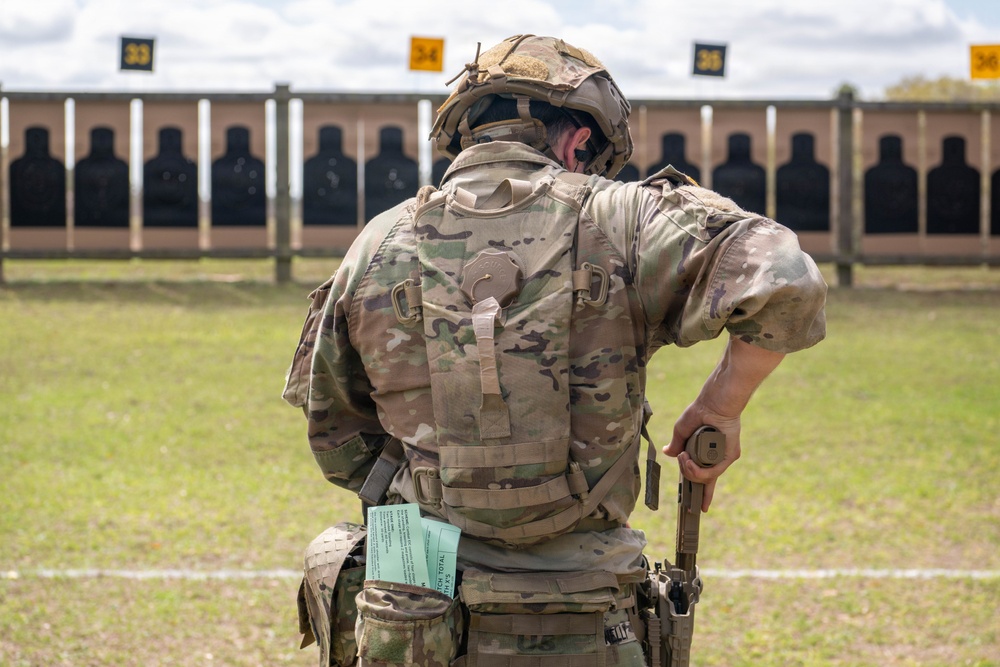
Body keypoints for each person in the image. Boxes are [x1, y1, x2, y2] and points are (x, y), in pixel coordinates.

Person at [285, 34, 827, 667]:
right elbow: (786, 279)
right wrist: (721, 407)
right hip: (589, 619)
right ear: (578, 141)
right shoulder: (626, 218)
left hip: (416, 615)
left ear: (468, 133)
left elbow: (333, 431)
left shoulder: (377, 243)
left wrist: (435, 492)